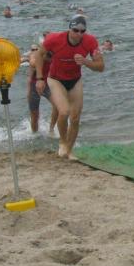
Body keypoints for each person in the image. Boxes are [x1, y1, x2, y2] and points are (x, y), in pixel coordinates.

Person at [37, 14, 104, 159]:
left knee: (75, 118)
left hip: (75, 80)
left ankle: (69, 150)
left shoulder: (90, 41)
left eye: (82, 31)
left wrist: (86, 62)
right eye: (75, 30)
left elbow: (100, 66)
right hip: (56, 79)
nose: (79, 34)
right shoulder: (54, 39)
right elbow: (38, 55)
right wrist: (39, 79)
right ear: (69, 29)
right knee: (64, 111)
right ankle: (62, 141)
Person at [27, 44, 57, 135]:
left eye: (35, 49)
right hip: (35, 85)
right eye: (33, 49)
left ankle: (51, 129)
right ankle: (34, 134)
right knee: (34, 114)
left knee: (57, 106)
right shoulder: (35, 55)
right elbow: (32, 63)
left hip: (48, 84)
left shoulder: (53, 54)